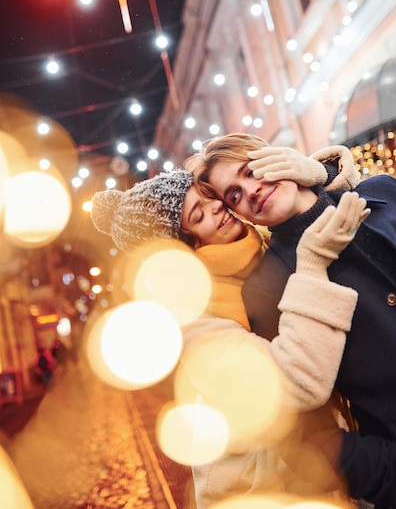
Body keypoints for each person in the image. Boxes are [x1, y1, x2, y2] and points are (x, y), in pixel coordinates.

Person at [90, 145, 370, 506]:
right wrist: (312, 266)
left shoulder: (259, 247)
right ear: (182, 248)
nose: (218, 208)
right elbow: (293, 383)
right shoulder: (193, 319)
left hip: (326, 470)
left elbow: (338, 214)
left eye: (210, 198)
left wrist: (318, 174)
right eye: (198, 213)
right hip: (268, 491)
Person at [188, 132, 396, 508]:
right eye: (234, 195)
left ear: (279, 156)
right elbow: (303, 437)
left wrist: (322, 172)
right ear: (240, 214)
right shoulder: (268, 287)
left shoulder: (385, 192)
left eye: (253, 169)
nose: (250, 190)